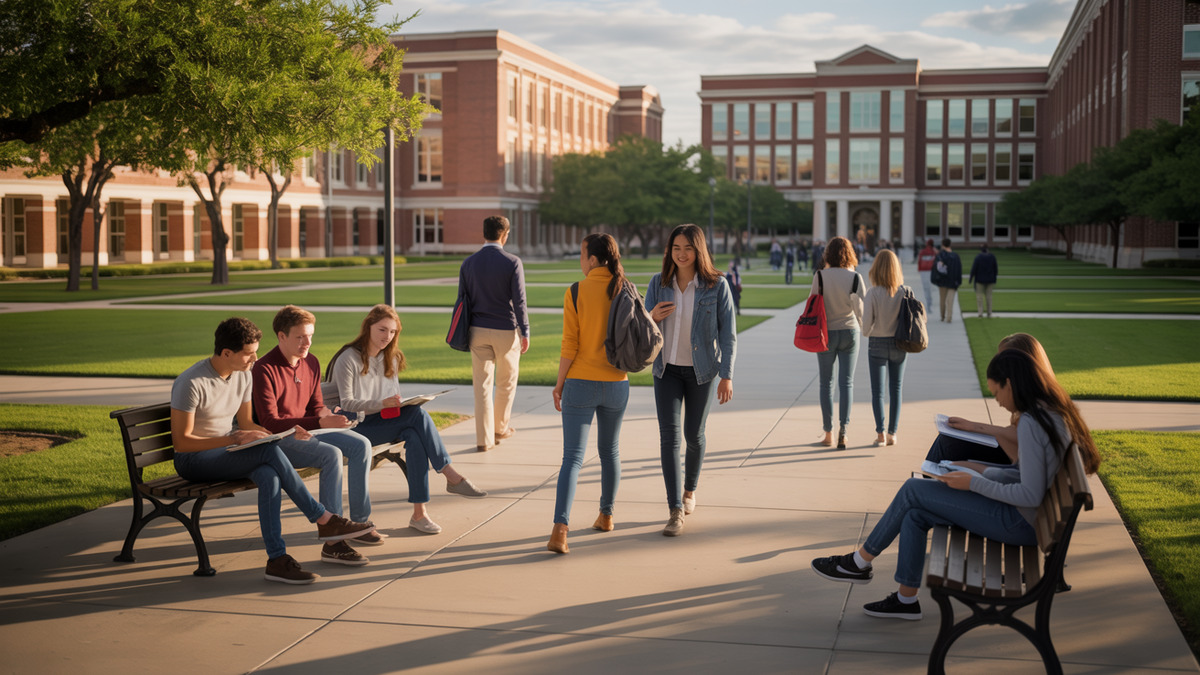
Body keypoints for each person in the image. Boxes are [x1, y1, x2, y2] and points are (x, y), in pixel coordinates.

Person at [811, 349, 1100, 620]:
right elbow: (1023, 476)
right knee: (915, 512)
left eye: (996, 391)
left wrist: (973, 484)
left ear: (1009, 384)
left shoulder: (1032, 422)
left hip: (1020, 523)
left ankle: (859, 563)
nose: (997, 400)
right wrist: (979, 471)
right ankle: (906, 600)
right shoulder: (1046, 413)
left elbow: (1030, 493)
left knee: (913, 490)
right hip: (1025, 518)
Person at [171, 318, 374, 584]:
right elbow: (182, 443)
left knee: (269, 474)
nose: (255, 358)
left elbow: (247, 424)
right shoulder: (191, 382)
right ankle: (323, 517)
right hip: (193, 460)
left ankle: (277, 560)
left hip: (226, 451)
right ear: (226, 353)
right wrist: (233, 439)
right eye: (249, 353)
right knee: (267, 454)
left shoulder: (242, 374)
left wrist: (287, 434)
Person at [329, 304, 488, 535]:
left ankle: (419, 514)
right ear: (368, 327)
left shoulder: (391, 358)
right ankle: (449, 474)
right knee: (416, 417)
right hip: (356, 427)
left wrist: (399, 404)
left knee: (414, 433)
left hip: (382, 421)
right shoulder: (349, 358)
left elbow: (393, 398)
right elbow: (347, 404)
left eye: (393, 332)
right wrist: (382, 404)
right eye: (382, 330)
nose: (387, 336)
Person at [253, 305, 377, 566]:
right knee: (330, 454)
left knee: (361, 444)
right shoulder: (264, 369)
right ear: (281, 336)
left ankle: (357, 524)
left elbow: (315, 405)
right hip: (280, 439)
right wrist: (320, 420)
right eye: (299, 337)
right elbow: (270, 422)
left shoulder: (312, 362)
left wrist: (330, 417)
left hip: (309, 431)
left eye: (310, 335)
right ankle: (334, 542)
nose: (307, 343)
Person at [646, 225, 737, 537]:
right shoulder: (658, 284)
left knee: (694, 436)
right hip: (666, 370)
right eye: (676, 248)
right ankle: (674, 510)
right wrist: (651, 316)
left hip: (702, 372)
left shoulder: (716, 286)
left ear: (699, 251)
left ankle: (689, 491)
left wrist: (727, 375)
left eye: (688, 248)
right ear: (669, 251)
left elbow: (728, 334)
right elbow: (640, 326)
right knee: (669, 438)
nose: (681, 254)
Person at [547, 233, 631, 554]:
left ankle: (560, 531)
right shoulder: (625, 288)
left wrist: (559, 383)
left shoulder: (576, 290)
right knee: (610, 452)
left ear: (593, 259)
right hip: (617, 383)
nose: (580, 261)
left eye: (582, 255)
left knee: (573, 458)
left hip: (580, 382)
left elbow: (570, 343)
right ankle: (606, 516)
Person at [457, 215, 530, 452]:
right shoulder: (512, 262)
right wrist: (525, 330)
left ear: (484, 233)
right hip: (506, 332)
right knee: (506, 383)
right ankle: (500, 428)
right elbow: (519, 301)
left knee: (482, 388)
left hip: (477, 331)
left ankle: (484, 440)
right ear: (504, 234)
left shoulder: (468, 263)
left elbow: (462, 301)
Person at [928, 333, 1056, 466]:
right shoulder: (1033, 395)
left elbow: (1023, 438)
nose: (999, 365)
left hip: (1020, 462)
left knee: (948, 444)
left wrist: (975, 427)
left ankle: (928, 481)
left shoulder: (1041, 405)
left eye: (1005, 360)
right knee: (948, 440)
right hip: (1018, 457)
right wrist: (972, 427)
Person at [812, 236, 866, 449]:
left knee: (826, 383)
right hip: (850, 331)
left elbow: (812, 305)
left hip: (825, 333)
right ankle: (844, 430)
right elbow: (862, 310)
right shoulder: (855, 278)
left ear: (829, 254)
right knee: (847, 383)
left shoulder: (820, 276)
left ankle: (828, 433)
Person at [862, 250, 908, 447]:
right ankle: (892, 433)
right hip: (899, 344)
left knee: (877, 392)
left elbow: (865, 329)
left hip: (877, 344)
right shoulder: (905, 291)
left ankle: (880, 434)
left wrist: (875, 327)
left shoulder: (872, 293)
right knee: (896, 389)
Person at [933, 238, 963, 322]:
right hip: (953, 281)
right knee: (950, 300)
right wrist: (958, 280)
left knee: (942, 300)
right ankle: (949, 317)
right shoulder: (955, 256)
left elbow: (937, 268)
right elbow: (959, 269)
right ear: (950, 244)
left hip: (943, 281)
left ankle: (942, 316)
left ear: (943, 245)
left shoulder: (941, 255)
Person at [969, 245, 999, 318]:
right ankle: (989, 313)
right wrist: (994, 277)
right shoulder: (992, 257)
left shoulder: (978, 257)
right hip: (990, 280)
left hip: (980, 280)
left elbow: (974, 268)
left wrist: (971, 278)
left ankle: (980, 312)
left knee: (979, 297)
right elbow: (996, 269)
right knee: (989, 297)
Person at [916, 239, 937, 309]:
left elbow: (919, 261)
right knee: (930, 287)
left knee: (926, 287)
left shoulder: (922, 252)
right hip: (931, 270)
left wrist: (919, 269)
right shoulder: (934, 251)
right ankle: (929, 301)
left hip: (923, 270)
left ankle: (928, 301)